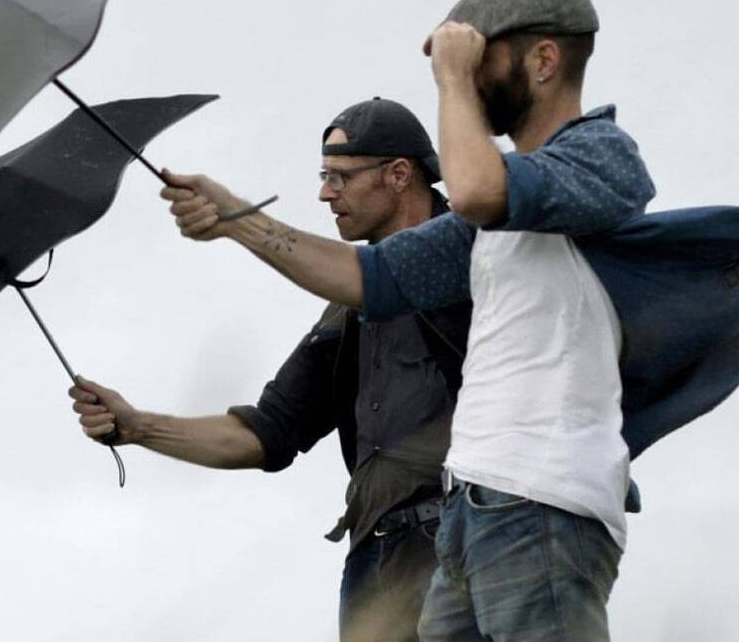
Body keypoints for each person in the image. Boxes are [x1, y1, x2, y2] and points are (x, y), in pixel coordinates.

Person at [161, 0, 658, 640]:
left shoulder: (599, 156)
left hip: (542, 499)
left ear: (543, 60)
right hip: (470, 509)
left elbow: (477, 190)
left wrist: (451, 81)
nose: (467, 77)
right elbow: (369, 277)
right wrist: (235, 216)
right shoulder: (488, 225)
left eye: (482, 59)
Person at [70, 98, 472, 641]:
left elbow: (379, 275)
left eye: (339, 176)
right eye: (323, 176)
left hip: (464, 542)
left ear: (399, 175)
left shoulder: (475, 253)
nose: (325, 193)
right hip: (374, 564)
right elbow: (267, 433)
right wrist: (137, 427)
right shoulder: (347, 309)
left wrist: (237, 218)